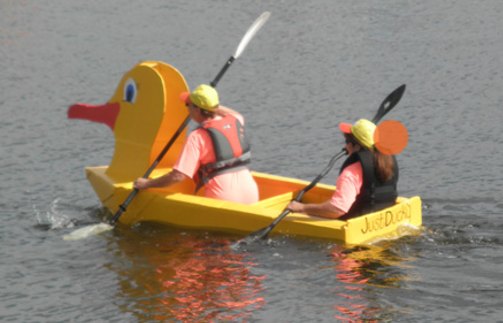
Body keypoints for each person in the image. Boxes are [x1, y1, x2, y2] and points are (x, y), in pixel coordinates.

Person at [134, 84, 259, 204]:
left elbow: (178, 176)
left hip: (221, 199)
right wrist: (211, 106)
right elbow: (231, 113)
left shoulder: (197, 137)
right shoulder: (236, 120)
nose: (187, 109)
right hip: (252, 195)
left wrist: (146, 184)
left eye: (188, 105)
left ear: (197, 109)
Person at [287, 119, 398, 220]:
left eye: (347, 142)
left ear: (356, 146)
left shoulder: (350, 173)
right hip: (386, 220)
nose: (345, 146)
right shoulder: (388, 162)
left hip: (358, 230)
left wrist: (302, 208)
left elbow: (337, 209)